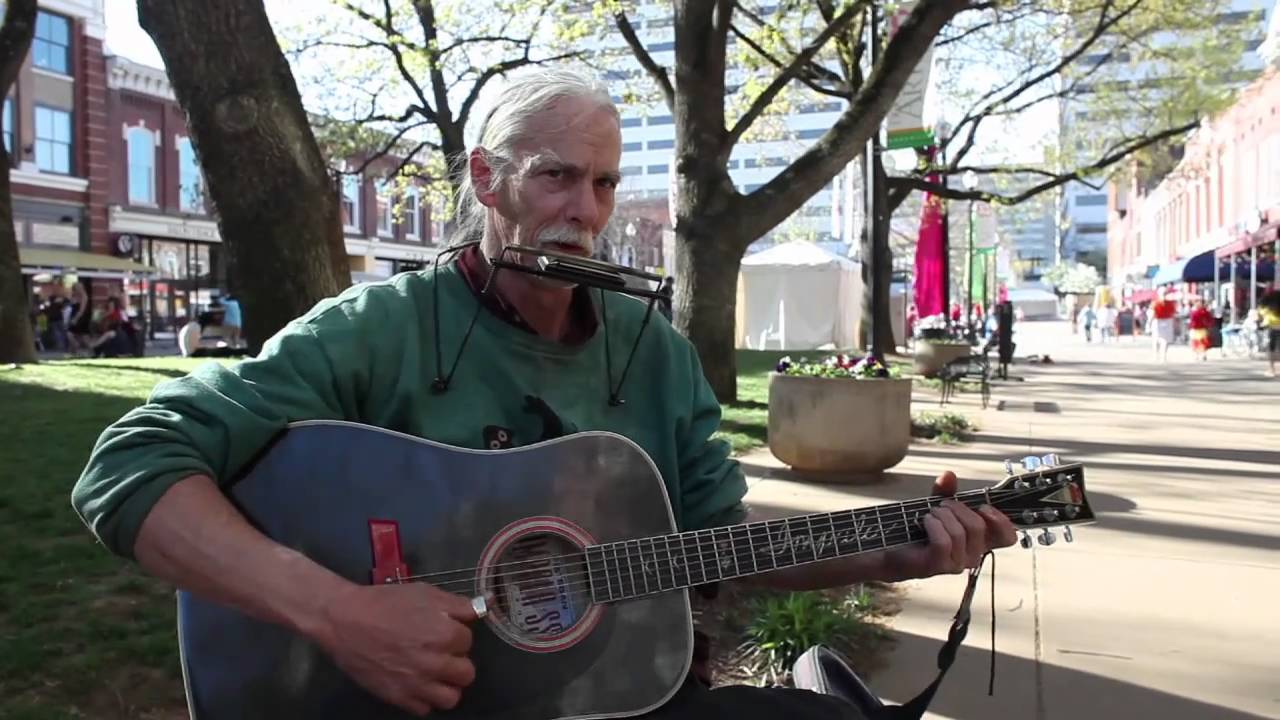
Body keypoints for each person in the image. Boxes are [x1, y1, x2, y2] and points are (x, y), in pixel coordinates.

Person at [70, 69, 1015, 718]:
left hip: (615, 697)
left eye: (603, 184)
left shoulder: (654, 353)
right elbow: (129, 466)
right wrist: (338, 615)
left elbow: (721, 549)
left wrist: (887, 556)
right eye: (557, 176)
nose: (586, 213)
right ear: (488, 178)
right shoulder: (379, 329)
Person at [1150, 292, 1176, 362]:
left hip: (1160, 321)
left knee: (1159, 339)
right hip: (1164, 321)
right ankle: (1161, 356)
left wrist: (1150, 323)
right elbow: (1173, 313)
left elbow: (1152, 314)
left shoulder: (1155, 302)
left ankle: (1159, 356)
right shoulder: (1170, 303)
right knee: (1163, 340)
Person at [1261, 290, 1280, 377]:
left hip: (1271, 328)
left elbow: (1262, 312)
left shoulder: (1269, 308)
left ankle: (1272, 369)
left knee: (1271, 349)